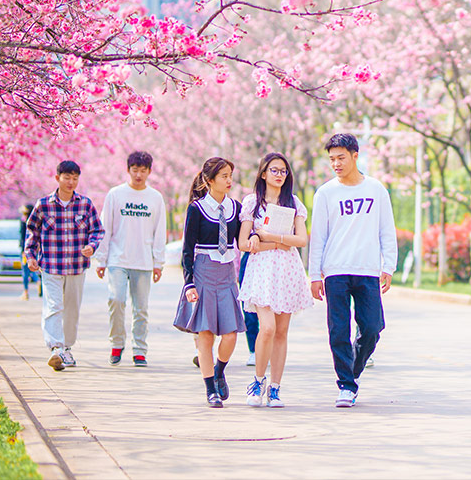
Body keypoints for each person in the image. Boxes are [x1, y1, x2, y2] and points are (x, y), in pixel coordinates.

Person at [309, 133, 397, 408]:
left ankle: (352, 372)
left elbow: (387, 229)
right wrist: (314, 274)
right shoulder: (325, 193)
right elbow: (318, 236)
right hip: (335, 270)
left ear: (355, 156)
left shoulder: (376, 189)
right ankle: (346, 385)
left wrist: (388, 266)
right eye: (332, 159)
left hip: (368, 269)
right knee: (338, 331)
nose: (336, 163)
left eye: (341, 158)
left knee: (372, 327)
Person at [238, 152, 312, 408]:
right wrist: (271, 243)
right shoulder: (251, 203)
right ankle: (257, 381)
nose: (279, 175)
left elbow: (301, 240)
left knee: (281, 332)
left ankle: (276, 388)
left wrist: (269, 236)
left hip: (288, 272)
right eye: (274, 170)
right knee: (266, 327)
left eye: (283, 171)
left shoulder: (294, 203)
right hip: (261, 272)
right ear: (263, 174)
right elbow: (243, 243)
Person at [173, 157, 245, 408]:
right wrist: (189, 283)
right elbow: (187, 249)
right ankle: (210, 390)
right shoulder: (197, 209)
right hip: (204, 271)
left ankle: (219, 371)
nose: (229, 180)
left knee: (231, 334)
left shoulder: (236, 208)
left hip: (227, 274)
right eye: (224, 176)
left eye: (230, 175)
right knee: (205, 335)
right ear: (209, 180)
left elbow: (243, 238)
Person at [24, 160, 105, 372]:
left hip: (77, 267)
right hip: (51, 265)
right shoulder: (44, 205)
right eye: (67, 177)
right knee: (53, 306)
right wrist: (30, 255)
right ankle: (55, 349)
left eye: (75, 178)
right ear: (57, 177)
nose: (71, 182)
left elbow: (98, 230)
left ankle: (67, 347)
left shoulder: (85, 204)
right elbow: (32, 231)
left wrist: (91, 245)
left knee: (72, 310)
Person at [93, 151, 167, 367]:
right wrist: (102, 259)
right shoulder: (115, 195)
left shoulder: (155, 198)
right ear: (128, 170)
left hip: (143, 261)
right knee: (116, 300)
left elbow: (159, 232)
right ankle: (117, 343)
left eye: (143, 171)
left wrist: (158, 263)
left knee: (141, 308)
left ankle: (140, 350)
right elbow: (105, 228)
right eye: (135, 170)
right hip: (118, 259)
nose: (138, 175)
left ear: (149, 172)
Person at [18, 203, 40, 300]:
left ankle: (25, 292)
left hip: (25, 250)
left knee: (25, 271)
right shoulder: (35, 222)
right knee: (33, 268)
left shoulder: (24, 222)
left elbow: (23, 238)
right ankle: (38, 281)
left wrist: (24, 251)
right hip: (35, 249)